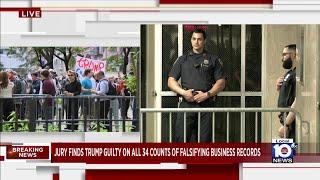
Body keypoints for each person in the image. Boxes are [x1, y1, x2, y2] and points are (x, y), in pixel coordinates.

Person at [168, 28, 226, 142]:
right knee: (181, 140)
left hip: (206, 105)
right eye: (194, 39)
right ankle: (181, 160)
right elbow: (171, 81)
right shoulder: (182, 59)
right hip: (186, 104)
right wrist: (184, 93)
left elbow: (221, 82)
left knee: (204, 142)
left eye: (199, 39)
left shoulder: (213, 59)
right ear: (191, 40)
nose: (196, 42)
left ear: (204, 41)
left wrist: (207, 94)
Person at [276, 44, 298, 140]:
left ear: (293, 55)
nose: (282, 58)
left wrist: (287, 125)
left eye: (285, 54)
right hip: (286, 122)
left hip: (292, 125)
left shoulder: (297, 75)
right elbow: (286, 97)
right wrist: (278, 88)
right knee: (284, 154)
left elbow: (298, 101)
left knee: (289, 154)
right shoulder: (290, 73)